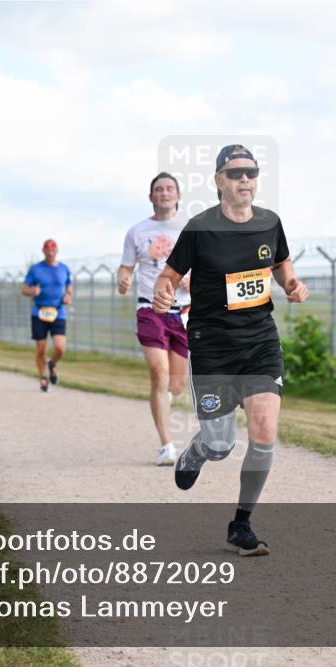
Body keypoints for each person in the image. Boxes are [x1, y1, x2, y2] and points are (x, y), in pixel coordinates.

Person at [153, 144, 309, 556]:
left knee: (264, 432)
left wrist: (292, 285)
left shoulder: (270, 223)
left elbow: (282, 267)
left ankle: (241, 524)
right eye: (236, 173)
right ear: (219, 180)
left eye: (251, 173)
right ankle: (197, 452)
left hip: (260, 343)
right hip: (212, 348)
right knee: (221, 446)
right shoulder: (200, 228)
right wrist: (163, 294)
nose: (245, 180)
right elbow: (169, 276)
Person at [117, 172, 192, 465]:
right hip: (150, 309)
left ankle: (165, 398)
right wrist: (123, 280)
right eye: (158, 189)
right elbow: (125, 268)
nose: (164, 193)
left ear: (178, 196)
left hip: (182, 312)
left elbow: (208, 266)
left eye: (169, 188)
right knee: (159, 374)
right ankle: (166, 446)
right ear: (151, 197)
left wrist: (193, 278)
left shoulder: (191, 229)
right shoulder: (137, 232)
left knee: (176, 384)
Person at [21, 239, 73, 392]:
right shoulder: (35, 269)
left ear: (56, 251)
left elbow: (69, 284)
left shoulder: (64, 268)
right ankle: (43, 377)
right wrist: (32, 291)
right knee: (41, 349)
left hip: (58, 311)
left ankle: (52, 364)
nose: (50, 253)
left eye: (53, 250)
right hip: (39, 312)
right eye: (47, 250)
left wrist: (68, 295)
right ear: (43, 251)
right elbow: (24, 289)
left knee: (60, 347)